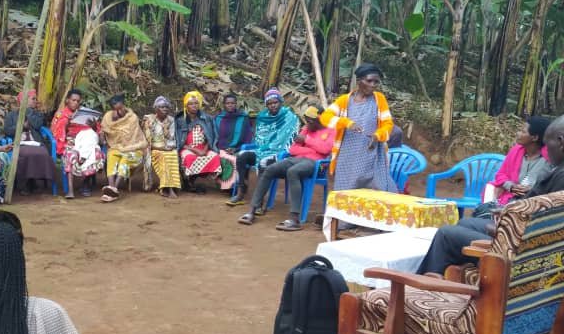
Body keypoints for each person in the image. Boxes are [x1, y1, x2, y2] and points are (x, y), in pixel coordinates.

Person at [416, 115, 564, 275]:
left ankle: (426, 285)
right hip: (519, 229)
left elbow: (542, 222)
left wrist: (503, 225)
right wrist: (508, 212)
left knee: (446, 233)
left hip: (520, 246)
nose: (546, 149)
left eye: (548, 144)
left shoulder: (559, 175)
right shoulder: (556, 169)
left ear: (561, 142)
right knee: (466, 223)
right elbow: (533, 205)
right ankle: (461, 274)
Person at [238, 106, 335, 230]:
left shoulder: (330, 132)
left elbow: (325, 150)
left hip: (314, 163)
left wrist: (306, 140)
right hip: (295, 159)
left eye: (310, 121)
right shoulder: (306, 128)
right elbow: (293, 149)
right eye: (306, 120)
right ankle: (252, 210)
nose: (307, 124)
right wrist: (312, 148)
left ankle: (294, 219)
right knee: (269, 169)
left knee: (293, 172)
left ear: (320, 119)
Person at [320, 63, 397, 193]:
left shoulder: (379, 100)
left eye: (376, 82)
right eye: (369, 81)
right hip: (348, 155)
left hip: (372, 153)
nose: (373, 85)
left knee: (380, 190)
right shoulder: (344, 100)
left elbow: (387, 124)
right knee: (347, 191)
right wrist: (346, 122)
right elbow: (325, 117)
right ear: (359, 81)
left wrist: (377, 136)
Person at [229, 88, 300, 205]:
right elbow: (259, 138)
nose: (273, 106)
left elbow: (287, 140)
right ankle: (241, 190)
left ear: (281, 102)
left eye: (275, 102)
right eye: (269, 103)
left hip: (280, 152)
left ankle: (259, 201)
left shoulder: (289, 117)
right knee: (241, 156)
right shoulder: (262, 117)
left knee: (263, 162)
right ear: (266, 105)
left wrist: (272, 147)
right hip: (261, 149)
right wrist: (264, 148)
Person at [483, 117, 552, 206]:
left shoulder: (550, 158)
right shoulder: (516, 151)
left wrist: (531, 190)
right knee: (490, 188)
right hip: (510, 194)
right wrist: (511, 186)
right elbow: (500, 175)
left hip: (532, 200)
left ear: (534, 137)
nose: (518, 133)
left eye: (523, 131)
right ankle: (488, 212)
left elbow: (550, 186)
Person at [51, 89, 105, 198]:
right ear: (67, 100)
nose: (76, 103)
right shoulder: (61, 114)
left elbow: (97, 133)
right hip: (70, 141)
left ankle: (85, 183)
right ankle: (70, 190)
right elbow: (56, 132)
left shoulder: (84, 112)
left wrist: (94, 126)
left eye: (78, 101)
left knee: (96, 152)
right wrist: (67, 124)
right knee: (71, 154)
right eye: (73, 100)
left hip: (87, 140)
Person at [2, 89, 57, 196]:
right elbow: (8, 130)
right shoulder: (11, 115)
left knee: (43, 153)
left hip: (35, 142)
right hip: (20, 143)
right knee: (26, 154)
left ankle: (33, 180)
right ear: (23, 100)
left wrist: (28, 111)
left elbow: (37, 125)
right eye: (33, 99)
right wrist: (21, 127)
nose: (35, 101)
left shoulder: (37, 114)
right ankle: (26, 183)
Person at [100, 94, 147, 202]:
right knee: (111, 154)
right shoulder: (108, 117)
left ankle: (114, 188)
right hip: (117, 147)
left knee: (125, 158)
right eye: (116, 110)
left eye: (120, 109)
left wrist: (126, 147)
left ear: (124, 106)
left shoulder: (132, 118)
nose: (119, 112)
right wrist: (103, 134)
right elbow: (104, 130)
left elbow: (135, 138)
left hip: (135, 149)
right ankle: (111, 187)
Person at [175, 91, 220, 193]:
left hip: (204, 147)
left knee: (215, 157)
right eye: (190, 104)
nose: (194, 106)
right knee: (189, 158)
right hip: (187, 148)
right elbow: (179, 140)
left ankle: (193, 181)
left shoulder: (207, 118)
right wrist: (193, 149)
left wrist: (204, 149)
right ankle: (188, 183)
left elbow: (211, 136)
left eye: (196, 103)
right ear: (186, 105)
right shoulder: (180, 120)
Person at [142, 96, 180, 199]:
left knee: (173, 155)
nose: (165, 109)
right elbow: (147, 142)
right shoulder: (150, 121)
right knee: (163, 157)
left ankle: (171, 186)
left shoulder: (171, 120)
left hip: (168, 146)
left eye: (166, 107)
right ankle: (167, 188)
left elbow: (172, 138)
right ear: (156, 109)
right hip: (154, 148)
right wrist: (161, 148)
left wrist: (165, 129)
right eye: (162, 107)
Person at [214, 94, 252, 194]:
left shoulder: (243, 118)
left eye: (232, 103)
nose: (230, 105)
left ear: (236, 104)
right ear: (224, 105)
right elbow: (215, 137)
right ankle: (227, 186)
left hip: (238, 148)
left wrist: (236, 148)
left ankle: (236, 186)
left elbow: (248, 136)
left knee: (236, 159)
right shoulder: (218, 118)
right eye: (227, 103)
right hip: (221, 148)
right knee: (226, 159)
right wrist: (221, 148)